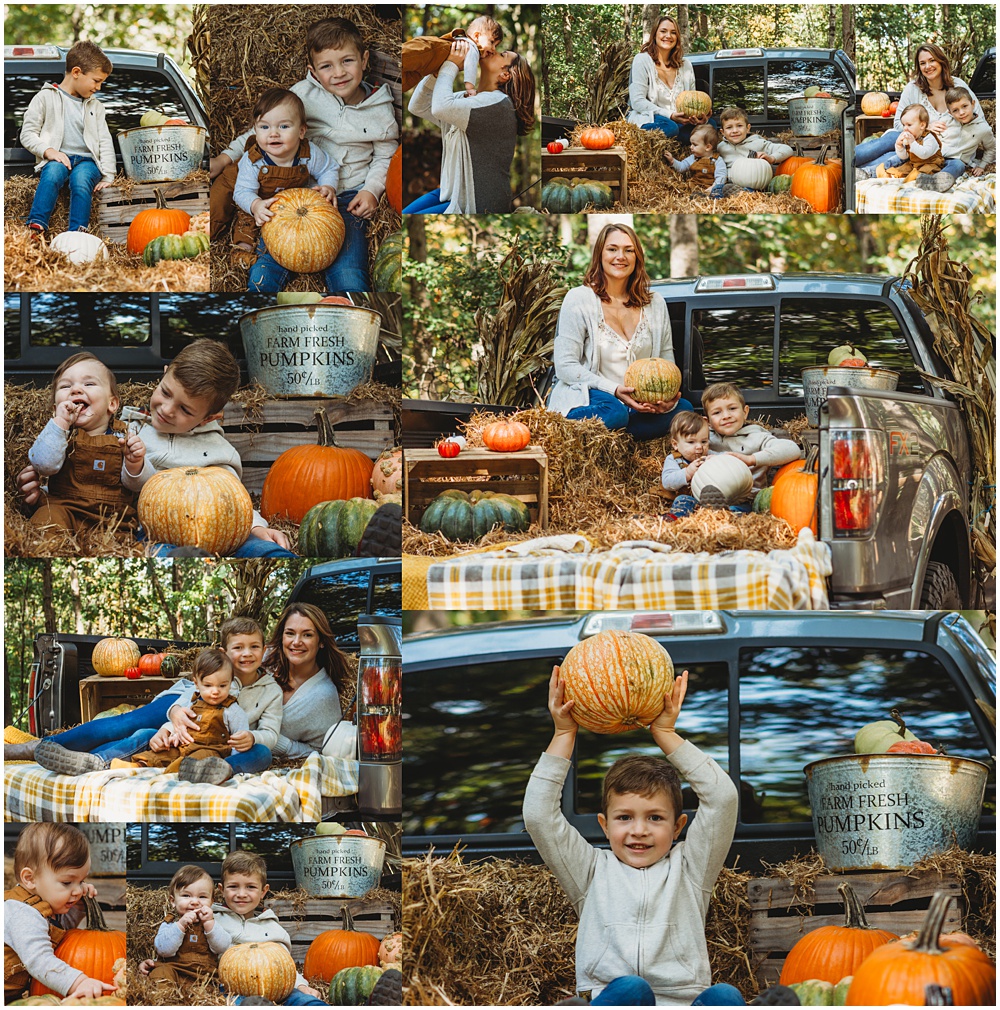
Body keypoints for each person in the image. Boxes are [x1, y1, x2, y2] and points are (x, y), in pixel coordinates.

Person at [523, 666, 743, 1005]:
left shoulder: (691, 868)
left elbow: (723, 798)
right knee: (632, 988)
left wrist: (666, 733)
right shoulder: (590, 870)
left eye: (655, 818)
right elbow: (538, 816)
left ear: (678, 827)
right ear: (604, 825)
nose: (639, 830)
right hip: (617, 998)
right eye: (624, 818)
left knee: (725, 996)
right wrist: (564, 733)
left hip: (682, 1001)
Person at [18, 339, 294, 557]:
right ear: (163, 376)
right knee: (162, 554)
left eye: (185, 409)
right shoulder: (129, 429)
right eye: (165, 392)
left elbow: (233, 499)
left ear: (209, 417)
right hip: (155, 532)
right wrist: (42, 491)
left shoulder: (218, 450)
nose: (166, 409)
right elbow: (95, 479)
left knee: (261, 550)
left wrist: (257, 526)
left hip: (216, 529)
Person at [210, 17, 398, 291]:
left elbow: (386, 157)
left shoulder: (381, 110)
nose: (339, 73)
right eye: (326, 66)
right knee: (264, 272)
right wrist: (226, 157)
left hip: (346, 198)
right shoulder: (303, 95)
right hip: (295, 193)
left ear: (364, 59)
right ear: (313, 70)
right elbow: (262, 131)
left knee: (349, 275)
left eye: (347, 61)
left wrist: (371, 189)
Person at [549, 223, 694, 441]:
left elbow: (666, 362)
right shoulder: (579, 299)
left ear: (637, 257)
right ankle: (558, 424)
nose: (621, 256)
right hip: (596, 397)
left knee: (684, 408)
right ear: (600, 254)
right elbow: (565, 367)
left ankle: (617, 435)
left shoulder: (655, 303)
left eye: (629, 250)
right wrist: (615, 390)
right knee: (614, 412)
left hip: (639, 406)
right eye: (612, 249)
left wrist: (666, 399)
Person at [142, 851, 327, 1005]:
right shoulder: (210, 919)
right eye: (233, 886)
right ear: (221, 890)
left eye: (251, 887)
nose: (241, 894)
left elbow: (285, 965)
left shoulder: (272, 927)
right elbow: (183, 947)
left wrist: (301, 985)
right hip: (233, 989)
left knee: (305, 1001)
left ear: (264, 891)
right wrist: (153, 963)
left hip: (277, 987)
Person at [221, 88, 340, 289]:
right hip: (261, 200)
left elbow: (329, 168)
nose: (273, 133)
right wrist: (255, 205)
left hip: (293, 208)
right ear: (255, 130)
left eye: (284, 126)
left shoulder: (308, 154)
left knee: (307, 234)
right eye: (264, 127)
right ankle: (243, 252)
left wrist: (328, 185)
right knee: (246, 224)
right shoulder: (253, 161)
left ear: (301, 131)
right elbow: (241, 192)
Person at [404, 39, 536, 213]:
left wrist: (450, 65)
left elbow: (441, 106)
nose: (494, 51)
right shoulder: (471, 100)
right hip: (451, 193)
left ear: (506, 75)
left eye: (502, 54)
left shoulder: (499, 105)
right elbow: (418, 106)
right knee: (405, 214)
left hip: (478, 204)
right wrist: (437, 72)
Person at [27, 352, 144, 545]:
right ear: (56, 407)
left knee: (124, 543)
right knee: (46, 519)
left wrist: (135, 464)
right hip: (65, 511)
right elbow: (43, 465)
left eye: (88, 384)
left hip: (110, 520)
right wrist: (60, 423)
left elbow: (138, 485)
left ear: (112, 404)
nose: (75, 390)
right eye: (66, 386)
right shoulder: (58, 435)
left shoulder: (125, 436)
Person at [4, 823, 116, 1001]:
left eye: (81, 881)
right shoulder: (22, 913)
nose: (78, 890)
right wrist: (78, 982)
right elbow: (39, 960)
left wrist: (78, 908)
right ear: (30, 878)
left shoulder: (41, 906)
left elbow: (52, 932)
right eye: (67, 882)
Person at [855, 43, 986, 192]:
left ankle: (936, 181)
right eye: (922, 63)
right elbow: (898, 122)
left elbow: (978, 119)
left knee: (957, 165)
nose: (927, 66)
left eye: (932, 60)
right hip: (918, 144)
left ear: (941, 61)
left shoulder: (958, 86)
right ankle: (849, 161)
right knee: (893, 138)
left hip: (948, 151)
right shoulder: (913, 88)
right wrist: (925, 127)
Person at [20, 40, 115, 237]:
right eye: (96, 81)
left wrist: (108, 175)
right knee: (53, 173)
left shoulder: (95, 106)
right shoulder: (45, 97)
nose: (98, 87)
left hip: (87, 161)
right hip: (58, 158)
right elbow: (27, 134)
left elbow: (104, 141)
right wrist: (49, 151)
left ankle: (78, 234)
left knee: (81, 181)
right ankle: (36, 227)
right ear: (77, 72)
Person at [127, 649, 250, 774]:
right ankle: (137, 766)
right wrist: (174, 736)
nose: (215, 691)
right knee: (162, 753)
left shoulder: (233, 711)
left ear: (231, 683)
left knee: (200, 759)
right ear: (196, 683)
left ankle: (179, 771)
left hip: (211, 750)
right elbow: (180, 725)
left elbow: (239, 742)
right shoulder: (193, 703)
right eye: (208, 685)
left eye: (222, 686)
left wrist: (232, 761)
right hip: (184, 747)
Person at [702, 383, 801, 508]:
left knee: (734, 511)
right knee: (684, 500)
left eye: (732, 409)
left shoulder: (756, 436)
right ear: (708, 422)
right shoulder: (705, 438)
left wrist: (751, 459)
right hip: (711, 496)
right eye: (717, 412)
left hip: (747, 498)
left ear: (745, 412)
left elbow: (792, 449)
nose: (726, 416)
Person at [627, 15, 712, 145]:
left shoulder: (685, 65)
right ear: (655, 34)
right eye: (663, 31)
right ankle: (678, 138)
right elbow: (637, 102)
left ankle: (678, 139)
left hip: (680, 123)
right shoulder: (642, 60)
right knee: (670, 127)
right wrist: (670, 115)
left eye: (673, 32)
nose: (668, 36)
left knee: (710, 125)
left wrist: (697, 118)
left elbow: (691, 100)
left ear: (677, 37)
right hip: (654, 119)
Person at [148, 865, 231, 988]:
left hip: (202, 975)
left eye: (202, 897)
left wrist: (209, 923)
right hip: (174, 970)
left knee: (213, 986)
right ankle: (167, 1001)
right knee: (160, 974)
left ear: (211, 902)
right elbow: (164, 950)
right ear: (173, 901)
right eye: (186, 896)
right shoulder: (169, 924)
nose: (195, 902)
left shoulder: (213, 924)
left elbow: (223, 947)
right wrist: (180, 926)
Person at [402, 14, 503, 96]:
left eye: (496, 46)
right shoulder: (473, 48)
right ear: (476, 36)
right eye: (492, 42)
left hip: (427, 67)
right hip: (432, 49)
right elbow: (470, 68)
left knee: (406, 81)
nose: (493, 49)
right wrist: (470, 88)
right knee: (406, 56)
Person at [658, 410, 716, 518]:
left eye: (704, 442)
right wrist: (687, 473)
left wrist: (718, 461)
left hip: (710, 499)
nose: (699, 446)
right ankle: (676, 518)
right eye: (691, 442)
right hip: (689, 499)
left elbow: (727, 462)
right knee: (682, 501)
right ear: (675, 444)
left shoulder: (710, 455)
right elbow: (667, 482)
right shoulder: (674, 460)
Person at [868, 104, 944, 182]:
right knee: (902, 169)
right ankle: (889, 176)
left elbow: (924, 154)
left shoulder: (929, 138)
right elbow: (904, 157)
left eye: (909, 125)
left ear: (922, 125)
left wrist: (912, 142)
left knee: (925, 171)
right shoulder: (912, 137)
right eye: (904, 125)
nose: (905, 128)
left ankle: (918, 180)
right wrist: (899, 146)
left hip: (931, 163)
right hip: (914, 164)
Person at [938, 87, 996, 179]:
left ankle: (938, 180)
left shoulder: (983, 128)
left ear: (973, 104)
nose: (961, 113)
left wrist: (982, 165)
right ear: (950, 113)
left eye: (965, 106)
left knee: (958, 166)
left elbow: (992, 148)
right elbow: (935, 138)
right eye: (955, 110)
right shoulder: (945, 121)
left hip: (956, 160)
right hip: (938, 157)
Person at [716, 107, 793, 169]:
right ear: (723, 132)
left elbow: (787, 149)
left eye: (739, 126)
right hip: (729, 183)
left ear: (748, 128)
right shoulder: (720, 148)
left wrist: (772, 158)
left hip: (754, 182)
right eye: (729, 127)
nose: (735, 131)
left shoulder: (758, 143)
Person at [664, 124, 727, 197]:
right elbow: (682, 167)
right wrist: (673, 161)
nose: (691, 147)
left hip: (710, 188)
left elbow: (721, 177)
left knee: (719, 192)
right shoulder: (693, 158)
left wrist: (713, 187)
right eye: (691, 144)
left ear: (707, 147)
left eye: (695, 145)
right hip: (694, 187)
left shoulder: (717, 160)